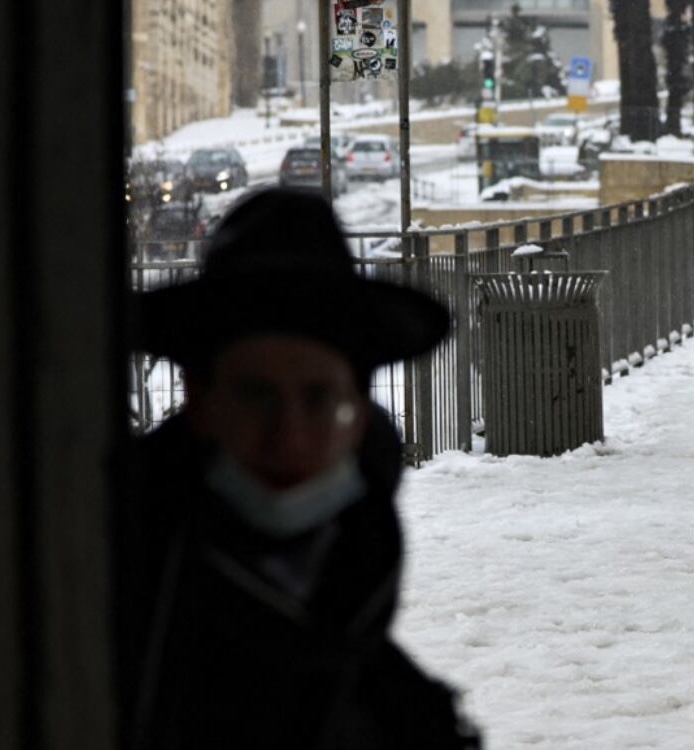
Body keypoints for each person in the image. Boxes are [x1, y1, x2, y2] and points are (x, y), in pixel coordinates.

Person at [118, 188, 481, 749]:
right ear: (198, 402)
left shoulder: (357, 579)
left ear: (359, 415)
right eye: (254, 397)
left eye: (319, 400)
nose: (287, 438)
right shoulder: (113, 587)